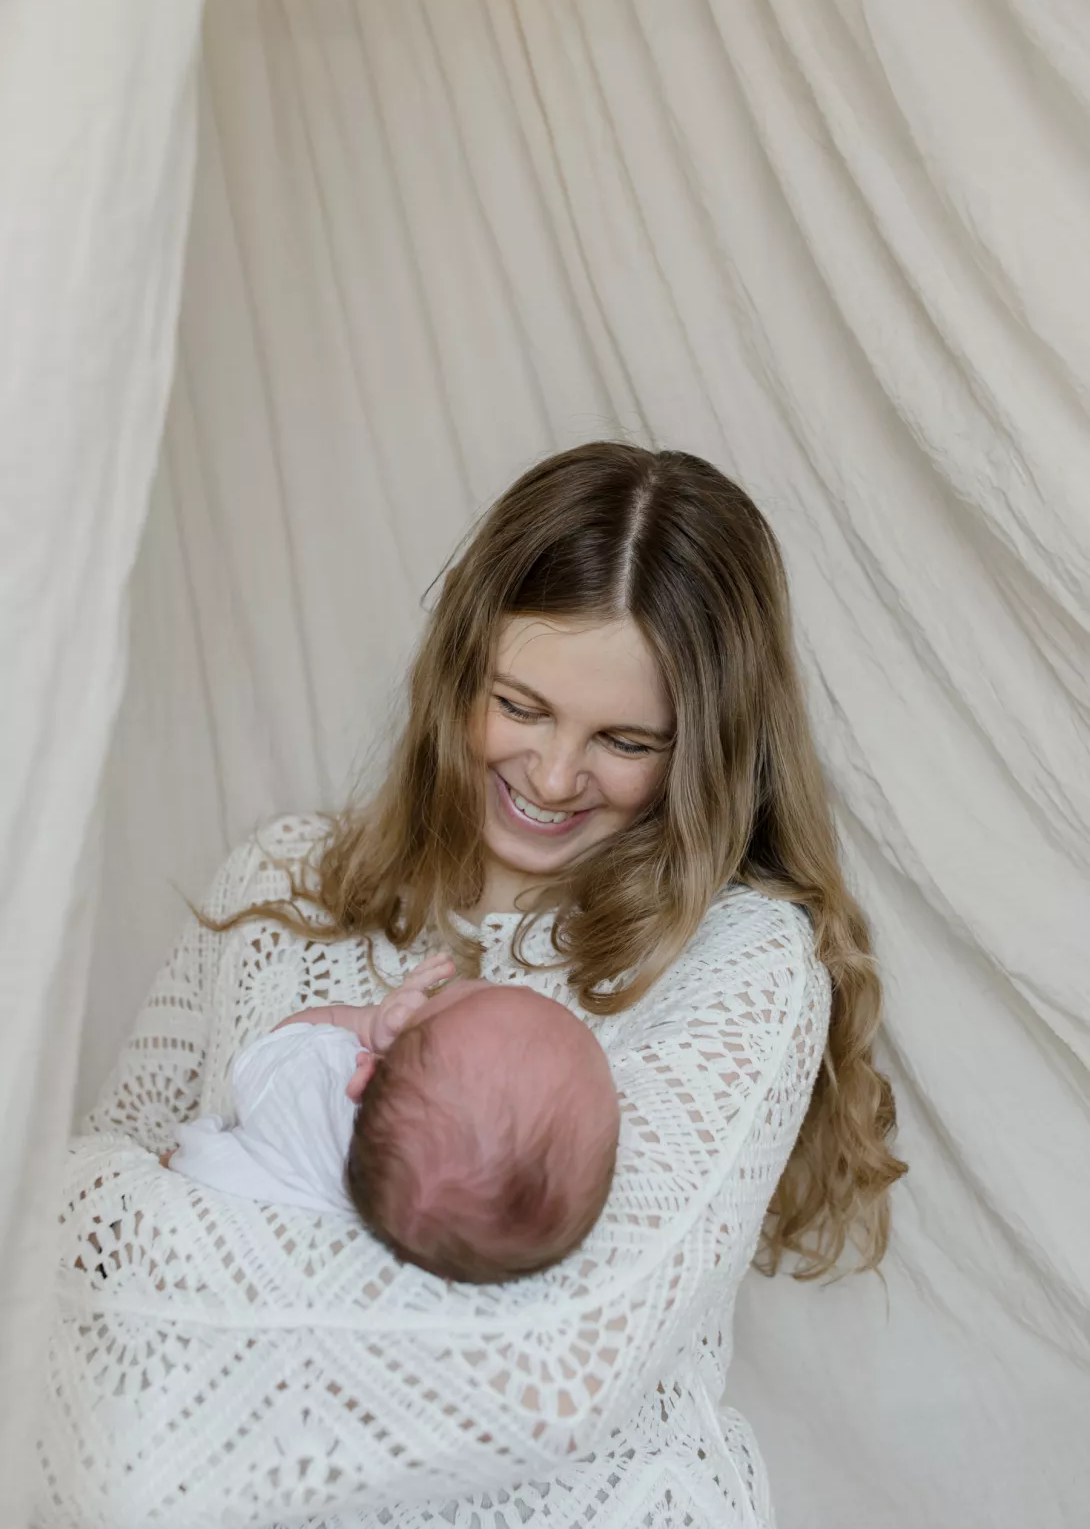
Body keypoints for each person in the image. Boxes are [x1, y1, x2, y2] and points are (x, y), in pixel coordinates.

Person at [76, 441, 906, 1529]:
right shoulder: (282, 883)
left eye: (623, 740)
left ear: (701, 750)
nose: (554, 777)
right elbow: (78, 1234)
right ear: (458, 667)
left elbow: (563, 1368)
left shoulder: (733, 960)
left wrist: (212, 1215)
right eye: (519, 706)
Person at [164, 958, 621, 1282]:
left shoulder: (312, 1090)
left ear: (365, 1074)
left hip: (170, 1223)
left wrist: (364, 1024)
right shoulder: (394, 1267)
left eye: (474, 993)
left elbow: (278, 1048)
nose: (483, 980)